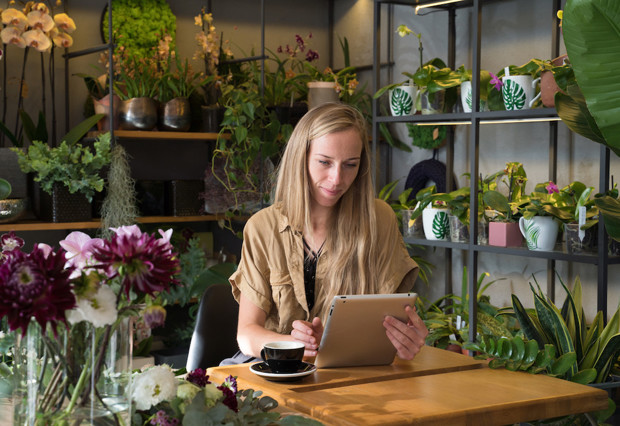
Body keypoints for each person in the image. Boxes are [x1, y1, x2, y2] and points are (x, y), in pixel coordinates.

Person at [224, 102, 428, 365]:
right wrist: (297, 346)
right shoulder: (263, 227)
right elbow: (247, 335)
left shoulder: (380, 220)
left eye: (350, 165)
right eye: (324, 162)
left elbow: (390, 324)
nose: (336, 179)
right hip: (276, 370)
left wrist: (406, 339)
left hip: (350, 373)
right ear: (301, 158)